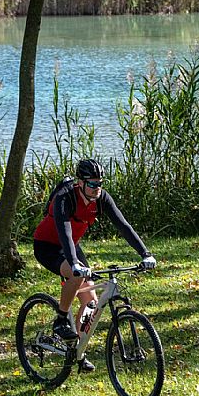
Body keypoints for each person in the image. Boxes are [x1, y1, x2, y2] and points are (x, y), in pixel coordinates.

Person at [33, 158, 156, 372]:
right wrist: (73, 264)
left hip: (72, 246)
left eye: (100, 183)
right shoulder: (65, 197)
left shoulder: (101, 199)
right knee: (77, 276)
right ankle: (61, 320)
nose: (97, 188)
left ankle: (77, 352)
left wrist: (145, 254)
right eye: (92, 184)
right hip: (48, 246)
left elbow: (123, 226)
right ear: (80, 183)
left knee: (90, 302)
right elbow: (64, 231)